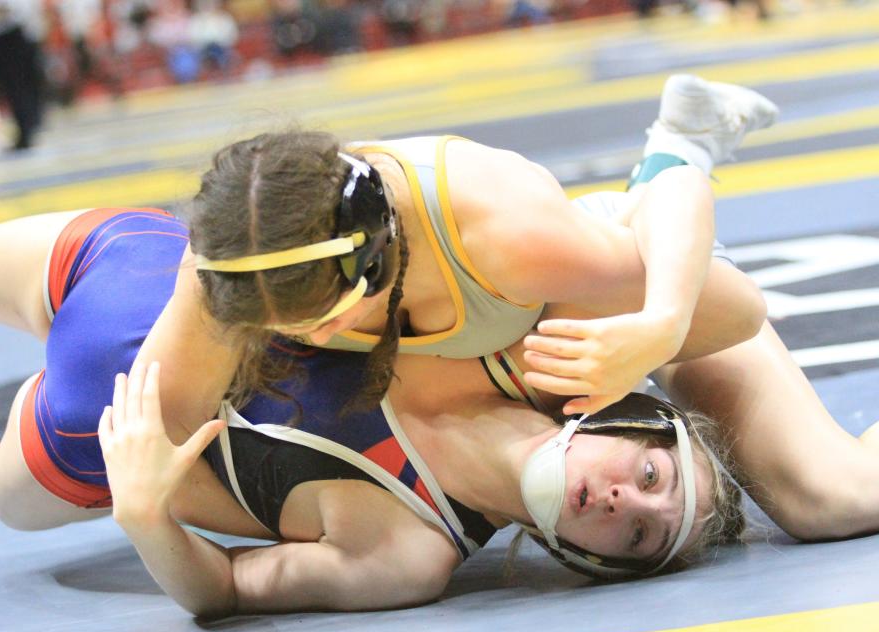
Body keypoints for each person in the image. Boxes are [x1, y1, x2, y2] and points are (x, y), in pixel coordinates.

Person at [0, 202, 732, 616]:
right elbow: (655, 201)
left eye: (636, 533)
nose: (626, 500)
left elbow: (223, 589)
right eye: (650, 473)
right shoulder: (521, 335)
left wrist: (147, 517)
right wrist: (663, 316)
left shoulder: (408, 555)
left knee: (5, 503)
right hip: (154, 262)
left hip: (91, 439)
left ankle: (46, 391)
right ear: (619, 418)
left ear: (592, 561)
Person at [136, 75, 774, 454]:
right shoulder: (243, 256)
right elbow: (163, 430)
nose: (315, 340)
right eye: (291, 328)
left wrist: (660, 323)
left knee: (831, 502)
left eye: (327, 315)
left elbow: (740, 310)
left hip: (632, 257)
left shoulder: (514, 235)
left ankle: (679, 143)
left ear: (373, 256)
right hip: (528, 330)